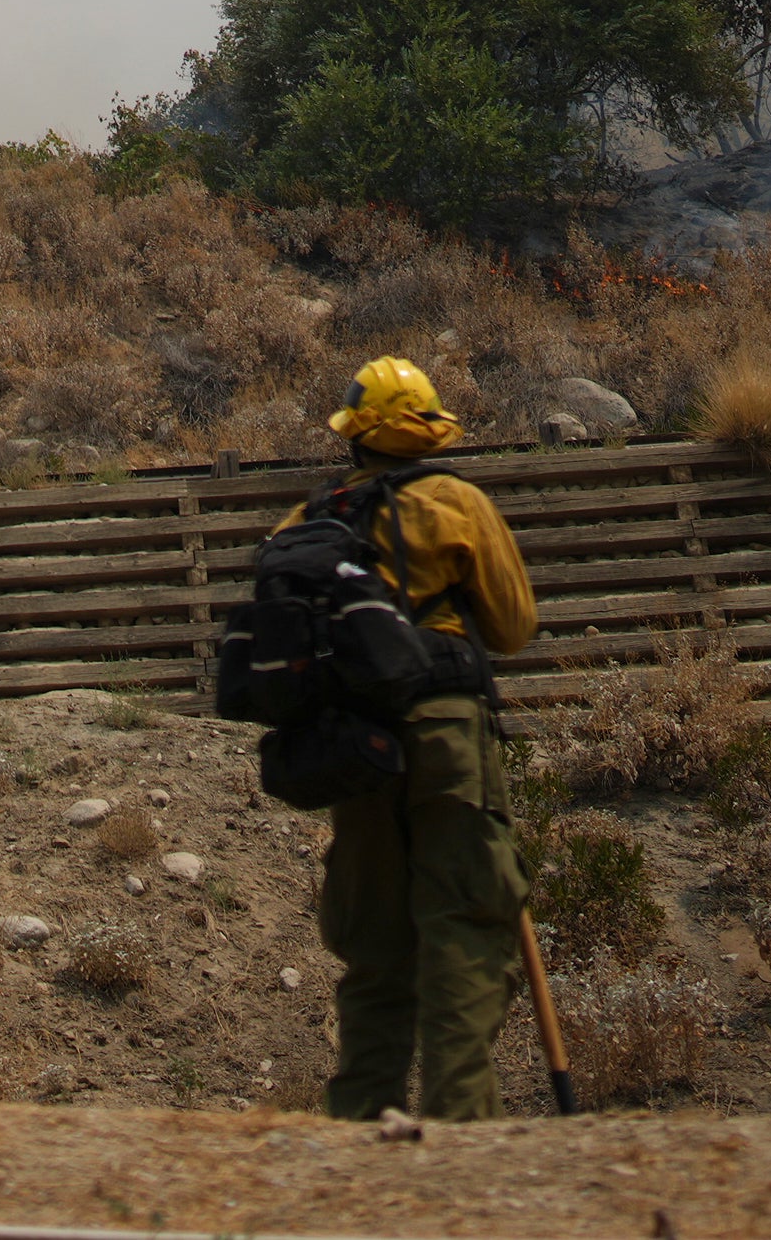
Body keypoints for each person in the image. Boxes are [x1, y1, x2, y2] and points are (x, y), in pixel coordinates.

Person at [289, 356, 540, 1122]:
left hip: (355, 748)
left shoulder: (309, 521)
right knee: (463, 927)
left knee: (375, 951)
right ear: (429, 430)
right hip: (447, 738)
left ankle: (359, 1131)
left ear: (354, 436)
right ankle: (459, 1139)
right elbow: (512, 629)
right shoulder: (456, 504)